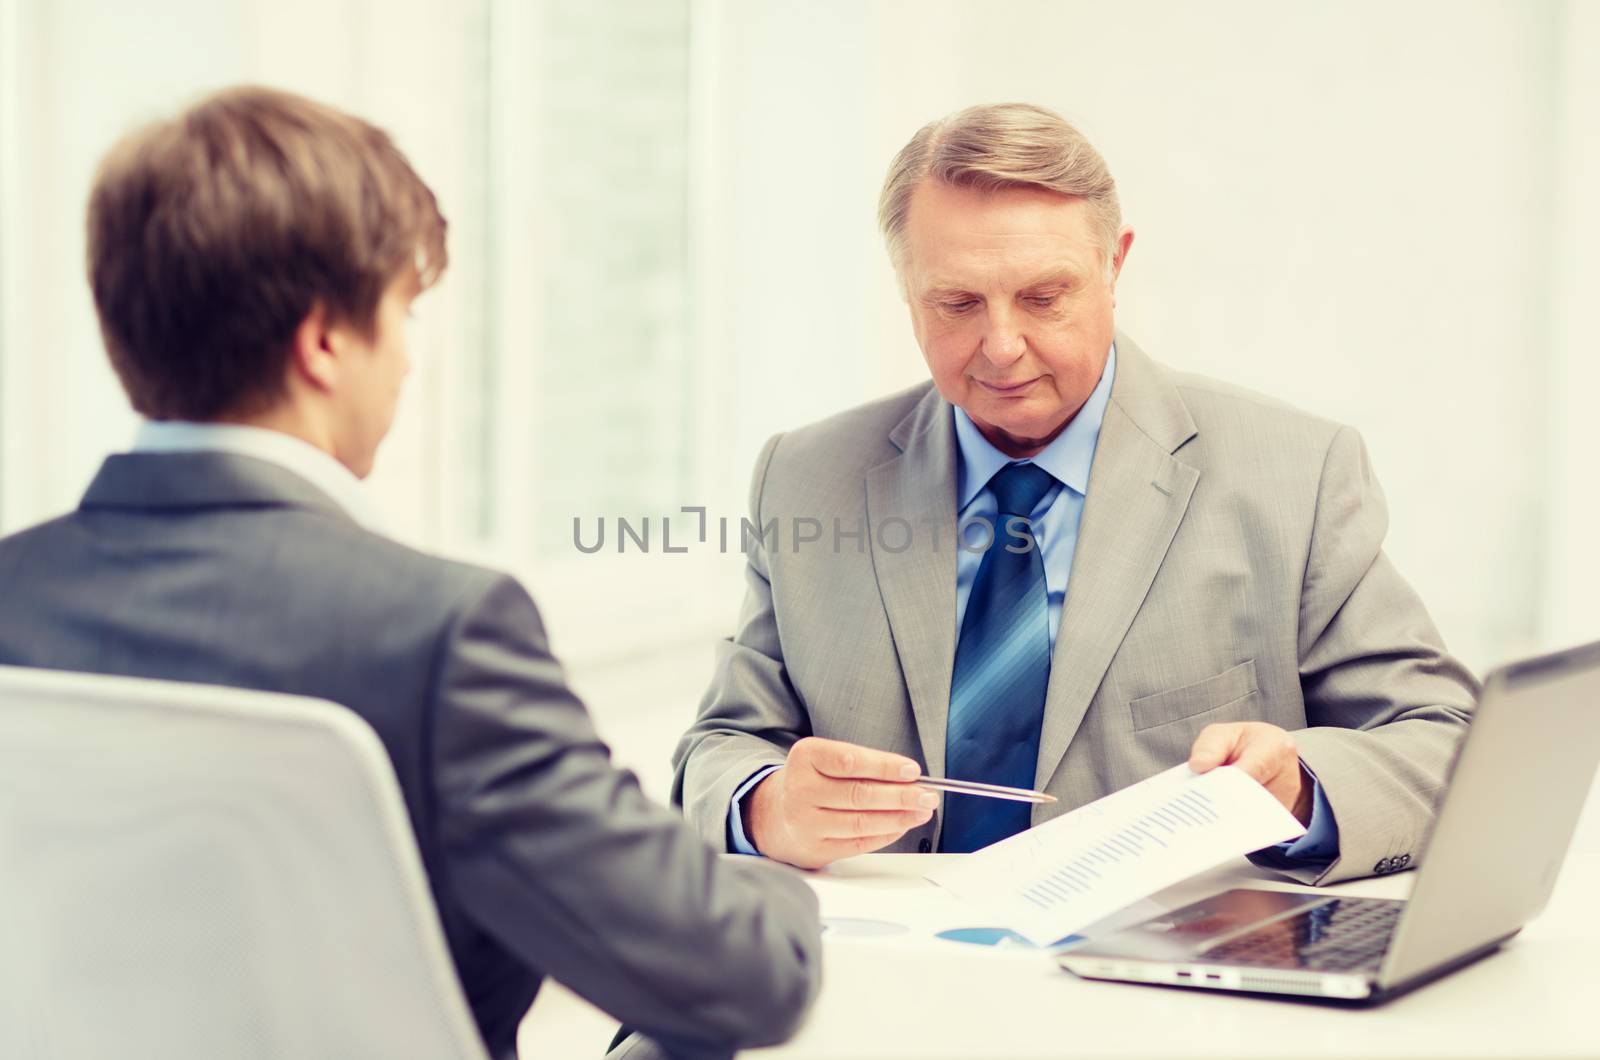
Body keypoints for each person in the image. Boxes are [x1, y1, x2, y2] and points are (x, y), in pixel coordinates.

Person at [0, 85, 819, 1060]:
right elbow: (740, 978)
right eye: (401, 311)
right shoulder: (439, 635)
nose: (405, 364)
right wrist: (781, 882)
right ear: (325, 341)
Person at [672, 102, 1477, 885]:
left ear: (1114, 265)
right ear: (905, 289)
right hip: (878, 976)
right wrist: (766, 805)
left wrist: (1300, 786)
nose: (1001, 347)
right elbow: (721, 745)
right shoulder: (808, 475)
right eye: (955, 303)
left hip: (1164, 989)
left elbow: (1447, 744)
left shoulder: (1294, 473)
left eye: (1043, 297)